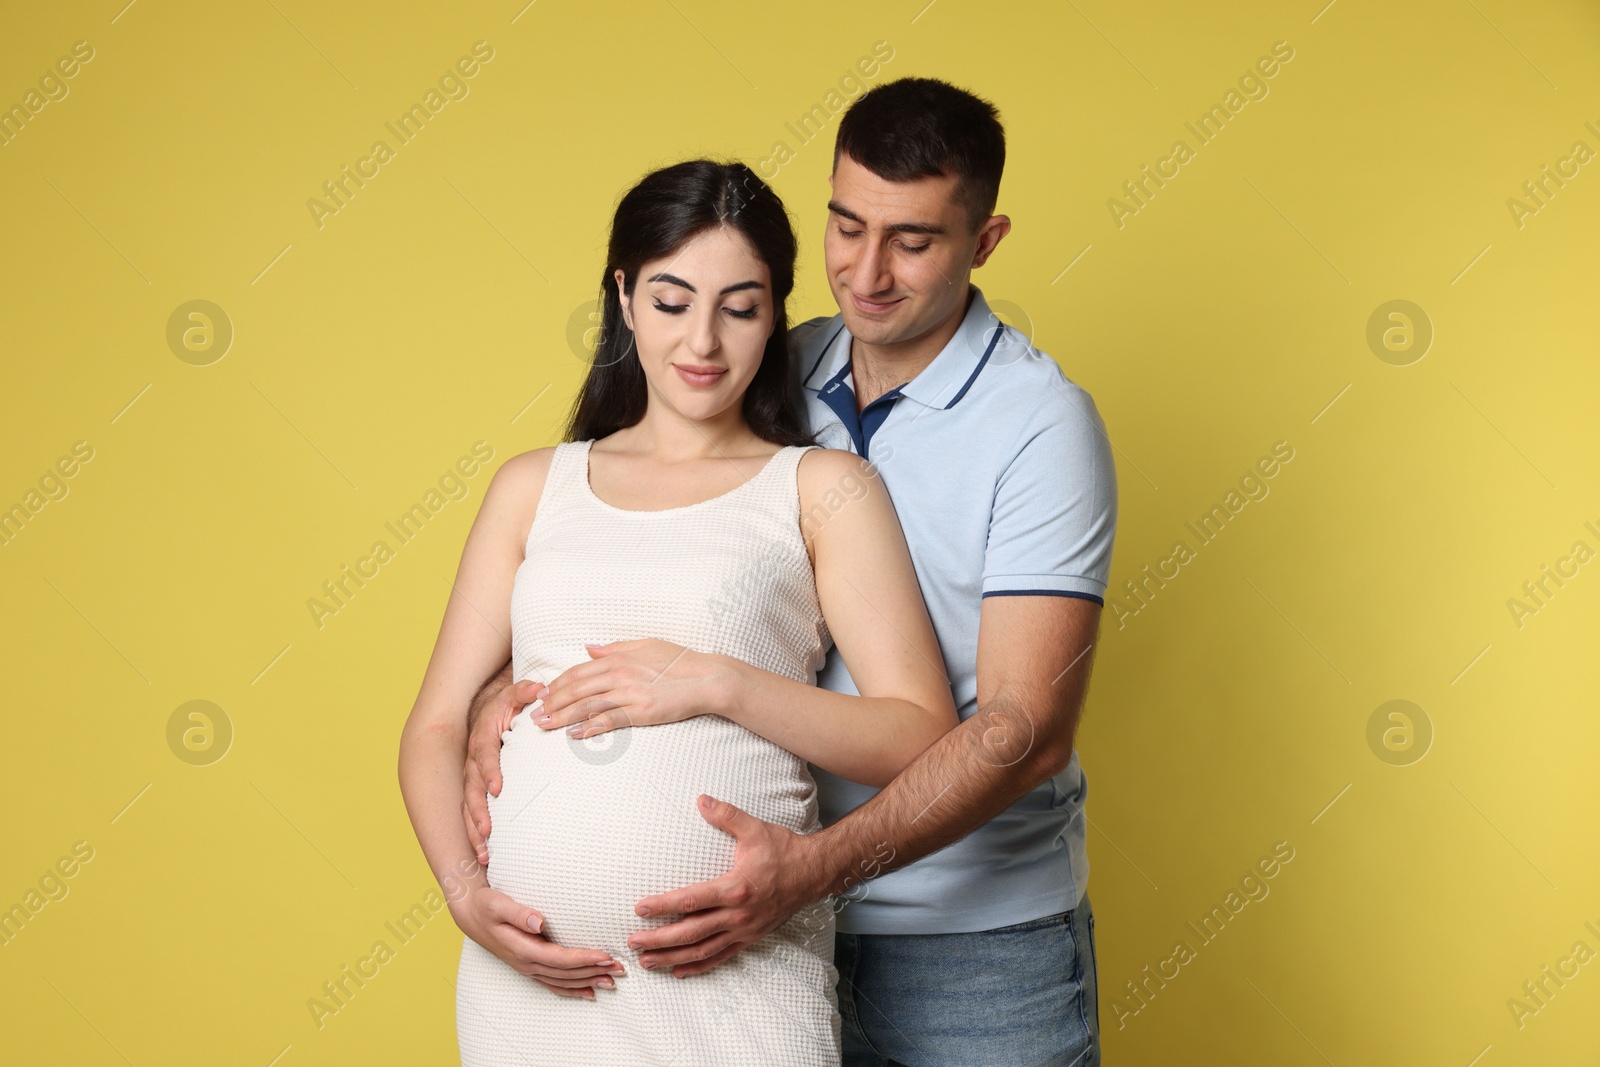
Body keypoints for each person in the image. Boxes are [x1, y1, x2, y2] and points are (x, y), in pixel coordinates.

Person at [464, 78, 1117, 1066]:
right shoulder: (768, 363)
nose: (866, 272)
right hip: (755, 929)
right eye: (845, 226)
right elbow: (613, 564)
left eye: (914, 239)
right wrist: (491, 705)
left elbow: (1021, 731)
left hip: (969, 943)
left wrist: (809, 870)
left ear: (983, 242)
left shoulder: (1040, 424)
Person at [397, 158, 958, 1066]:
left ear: (777, 311)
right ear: (622, 296)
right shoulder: (533, 486)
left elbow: (919, 735)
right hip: (527, 988)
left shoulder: (823, 488)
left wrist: (714, 681)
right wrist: (465, 894)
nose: (702, 340)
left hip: (737, 993)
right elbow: (432, 726)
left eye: (740, 307)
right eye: (670, 300)